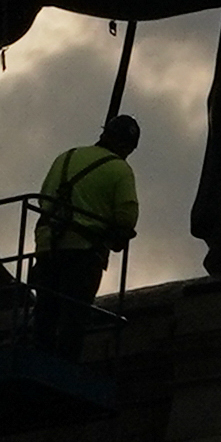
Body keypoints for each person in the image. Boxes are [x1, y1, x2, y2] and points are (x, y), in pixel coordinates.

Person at [31, 114, 142, 349]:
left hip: (46, 248)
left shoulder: (66, 157)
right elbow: (126, 217)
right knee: (73, 319)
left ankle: (37, 357)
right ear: (126, 146)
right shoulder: (120, 169)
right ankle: (63, 369)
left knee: (45, 315)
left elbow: (44, 199)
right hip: (83, 254)